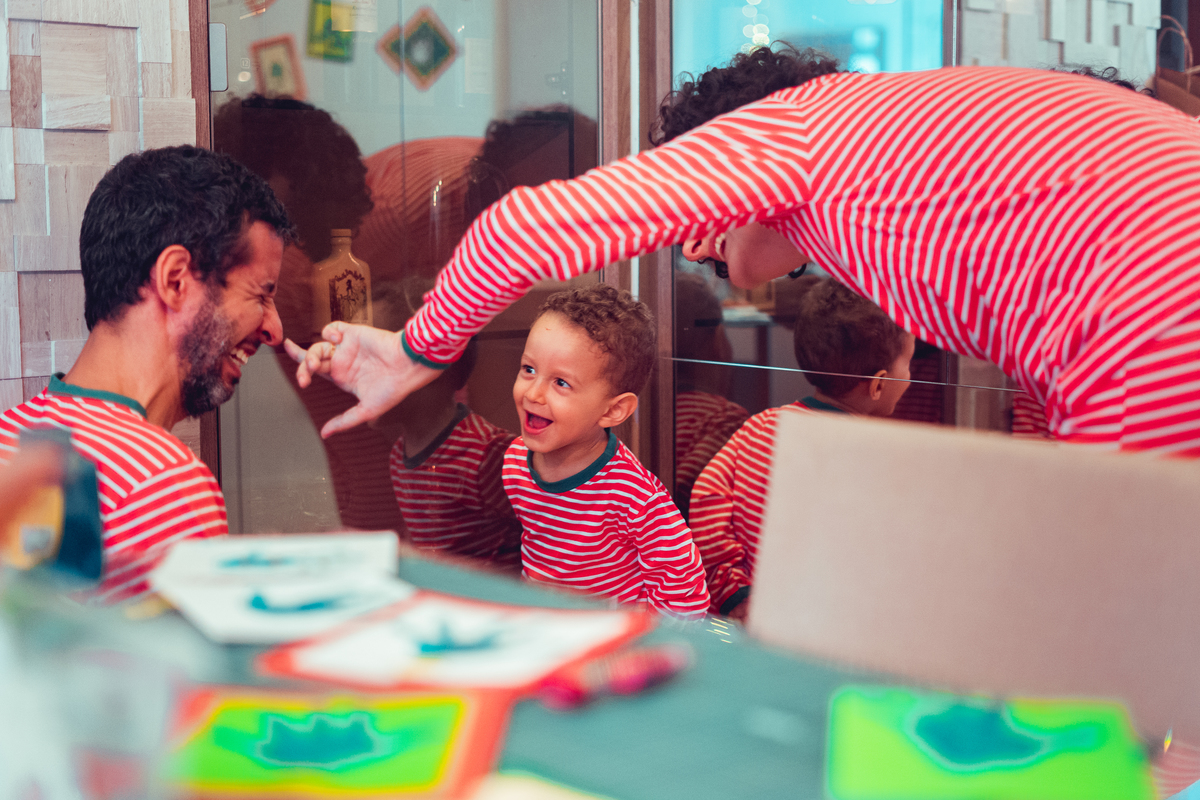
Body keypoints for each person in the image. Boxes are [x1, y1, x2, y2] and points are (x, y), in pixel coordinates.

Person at [289, 45, 1200, 459]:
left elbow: (520, 229)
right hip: (1143, 302)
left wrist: (418, 350)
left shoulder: (791, 129)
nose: (690, 245)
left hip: (1157, 304)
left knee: (1097, 664)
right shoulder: (869, 182)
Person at [0, 145, 294, 603]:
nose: (274, 329)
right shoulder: (164, 485)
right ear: (175, 280)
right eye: (261, 294)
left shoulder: (11, 436)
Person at [689, 278, 915, 619]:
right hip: (832, 625)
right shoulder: (879, 455)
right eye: (908, 363)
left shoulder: (760, 425)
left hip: (759, 615)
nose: (911, 377)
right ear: (879, 384)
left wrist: (736, 594)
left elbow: (705, 497)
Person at [503, 285, 709, 618]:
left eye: (561, 383)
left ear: (613, 411)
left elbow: (685, 594)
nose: (534, 393)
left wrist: (647, 650)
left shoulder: (634, 496)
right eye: (529, 369)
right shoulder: (514, 463)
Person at [372, 282, 522, 570]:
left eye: (376, 358)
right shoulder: (399, 456)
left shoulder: (487, 456)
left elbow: (548, 531)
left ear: (434, 370)